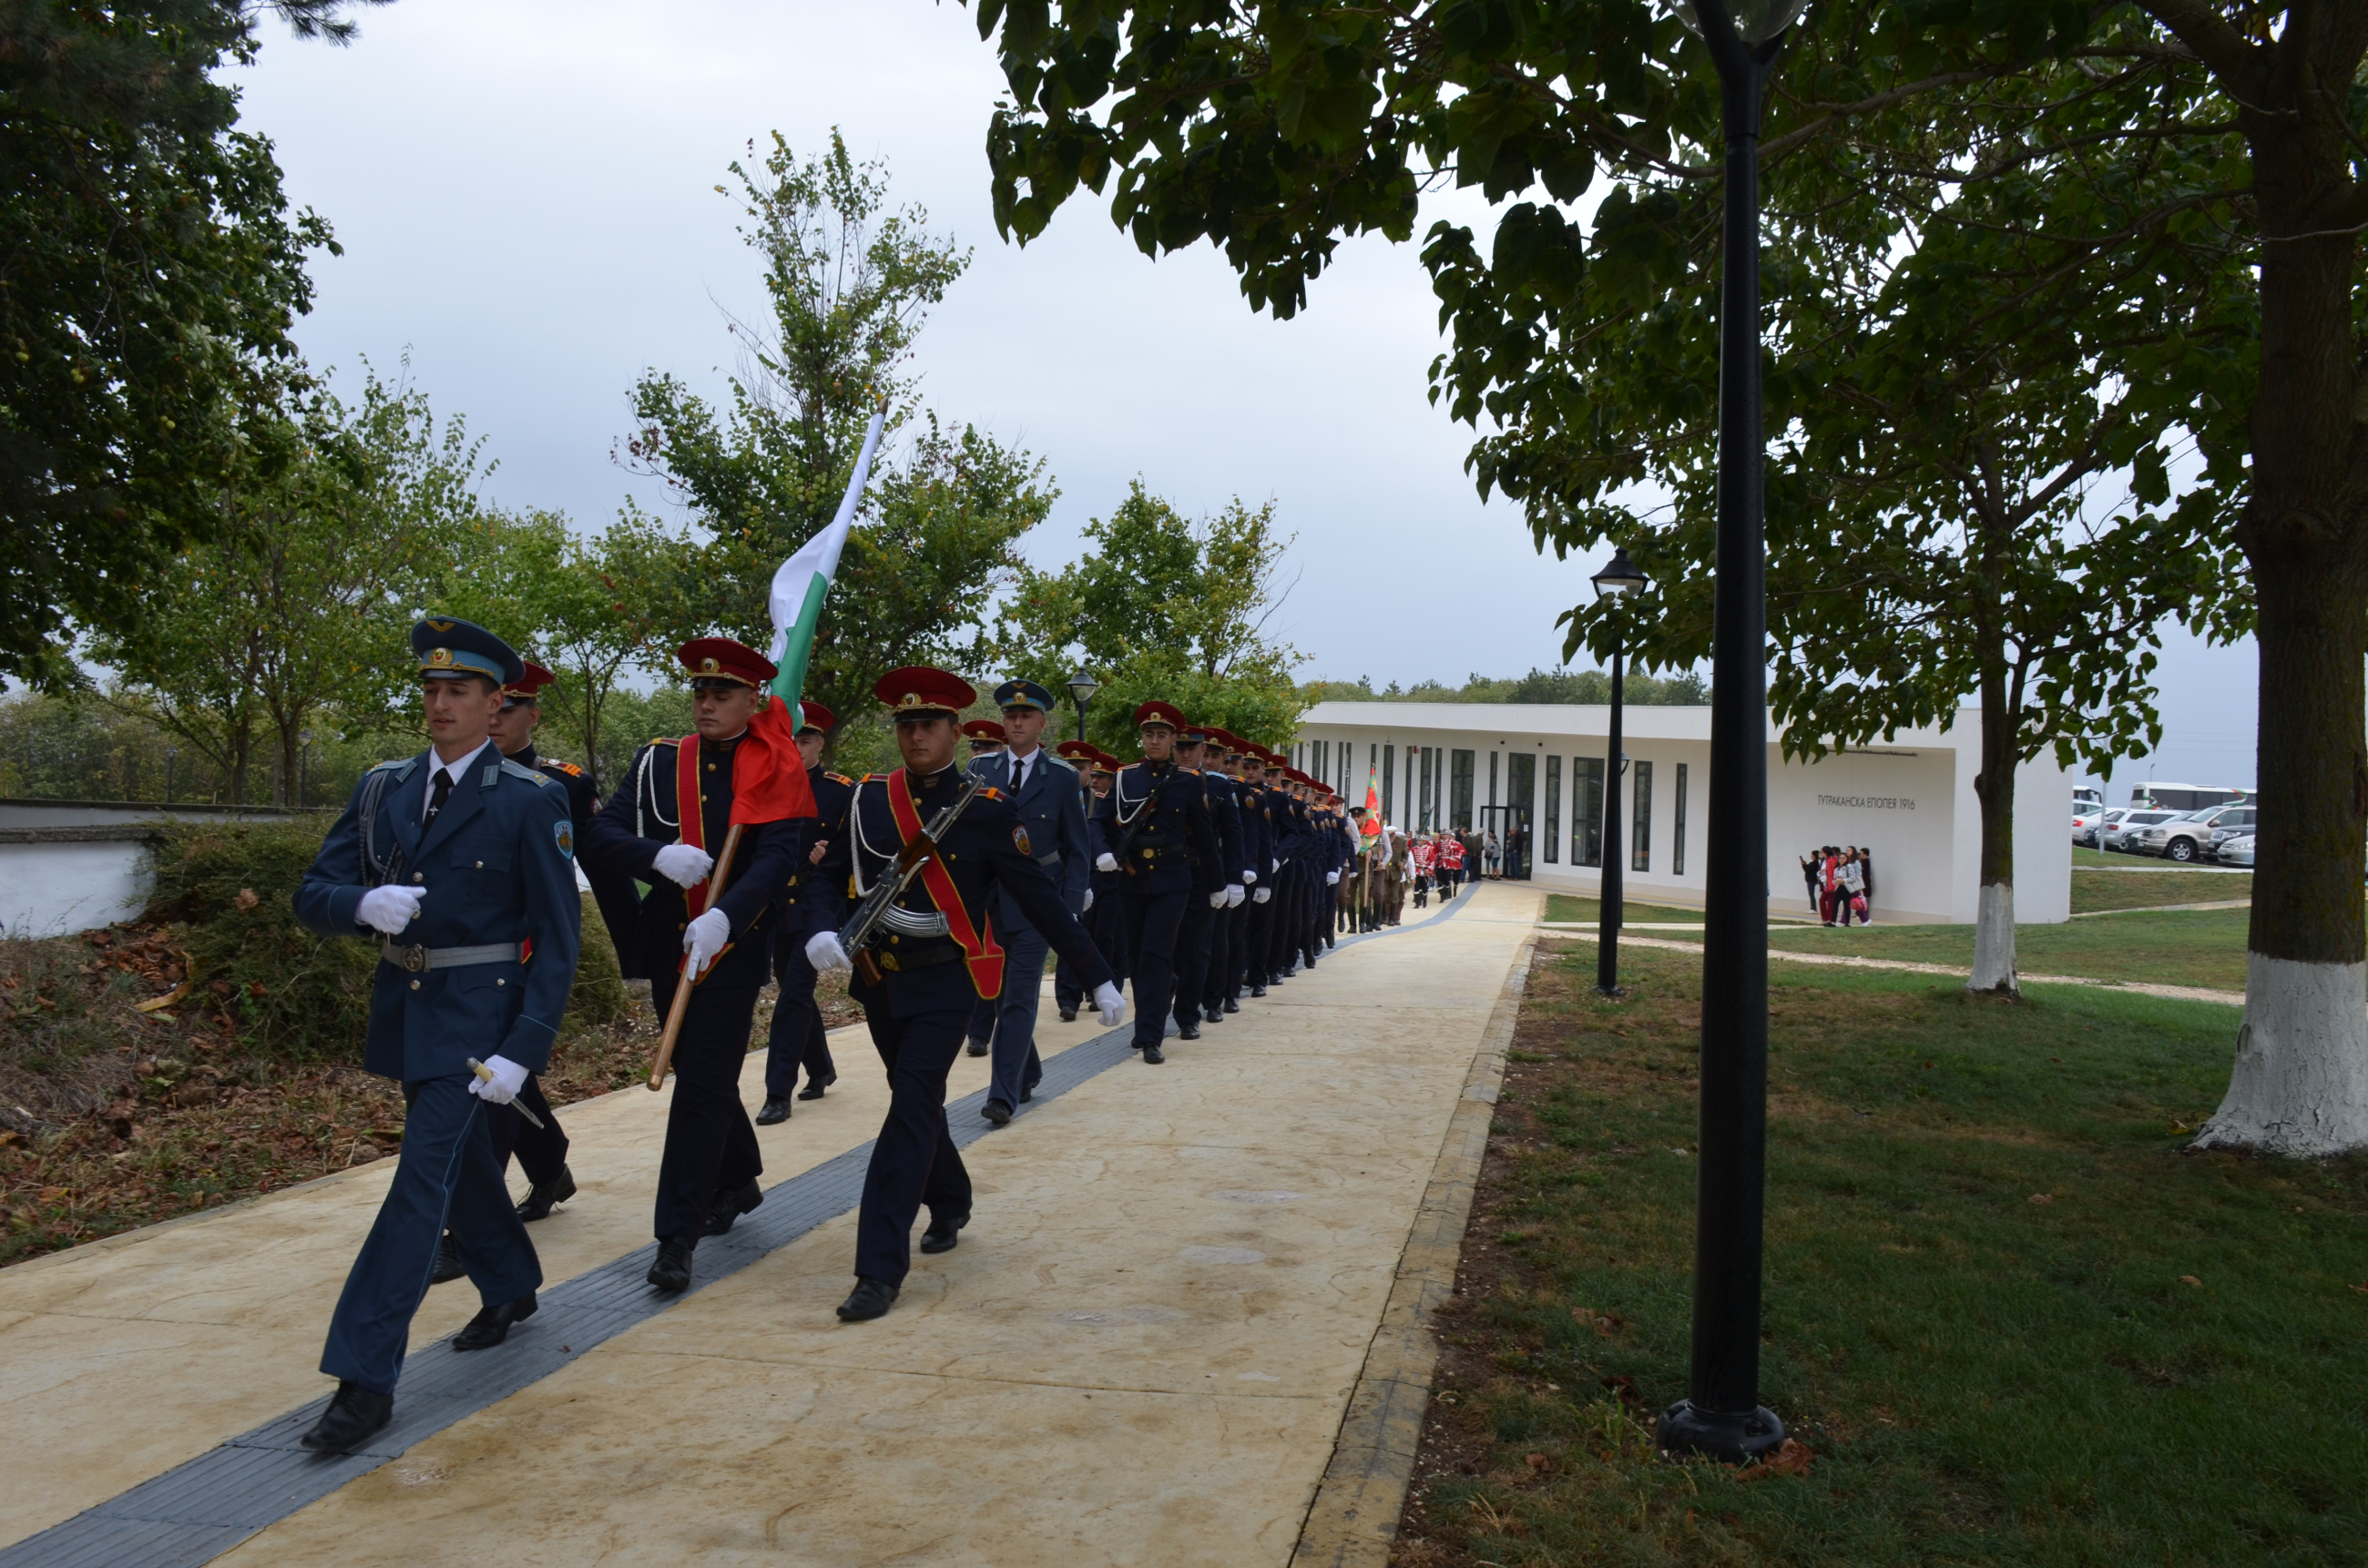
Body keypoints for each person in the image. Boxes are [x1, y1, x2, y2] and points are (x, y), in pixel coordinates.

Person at [289, 617, 582, 1453]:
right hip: (411, 1007)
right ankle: (513, 1281)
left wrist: (524, 1049)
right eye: (432, 689)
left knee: (419, 1184)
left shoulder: (530, 799)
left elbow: (557, 941)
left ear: (496, 705)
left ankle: (364, 1377)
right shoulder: (383, 787)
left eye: (460, 691)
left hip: (483, 1020)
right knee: (454, 1170)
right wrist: (357, 906)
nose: (441, 703)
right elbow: (313, 890)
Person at [803, 667, 1124, 1322]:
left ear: (956, 731)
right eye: (905, 725)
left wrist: (1096, 973)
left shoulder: (985, 811)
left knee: (910, 1105)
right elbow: (827, 875)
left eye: (928, 724)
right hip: (880, 980)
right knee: (913, 1102)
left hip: (948, 983)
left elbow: (1039, 899)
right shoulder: (868, 799)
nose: (915, 735)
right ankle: (948, 1197)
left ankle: (877, 1269)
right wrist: (815, 928)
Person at [581, 638, 814, 1295]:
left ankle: (674, 1238)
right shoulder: (659, 760)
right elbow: (600, 833)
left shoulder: (773, 764)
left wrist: (729, 914)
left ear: (753, 700)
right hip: (669, 940)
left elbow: (781, 853)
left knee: (699, 1088)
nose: (707, 704)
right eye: (700, 693)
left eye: (723, 694)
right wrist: (654, 856)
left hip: (732, 947)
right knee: (699, 1073)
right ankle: (737, 1177)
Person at [964, 678, 1094, 1124]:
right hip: (987, 904)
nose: (1017, 722)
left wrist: (1070, 908)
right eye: (1010, 716)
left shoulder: (1060, 778)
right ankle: (1030, 1068)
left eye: (1025, 716)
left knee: (1019, 997)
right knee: (999, 996)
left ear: (1041, 723)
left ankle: (1003, 1095)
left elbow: (1078, 847)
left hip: (1038, 903)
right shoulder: (980, 771)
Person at [1096, 701, 1221, 1062]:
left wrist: (1216, 884)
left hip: (1173, 879)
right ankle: (1152, 1012)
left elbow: (1204, 835)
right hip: (1132, 878)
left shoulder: (1186, 781)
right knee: (1136, 956)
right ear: (1142, 739)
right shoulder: (1124, 777)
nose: (1154, 741)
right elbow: (1097, 821)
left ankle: (1149, 1036)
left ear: (1172, 740)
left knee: (1155, 953)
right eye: (1149, 735)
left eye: (1162, 735)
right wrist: (1102, 851)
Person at [756, 700, 852, 1125]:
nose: (797, 746)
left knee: (792, 997)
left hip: (813, 908)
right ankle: (821, 1067)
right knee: (795, 992)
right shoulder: (763, 783)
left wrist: (827, 857)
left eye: (806, 739)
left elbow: (853, 851)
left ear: (819, 744)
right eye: (791, 737)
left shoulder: (839, 791)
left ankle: (778, 1091)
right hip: (772, 905)